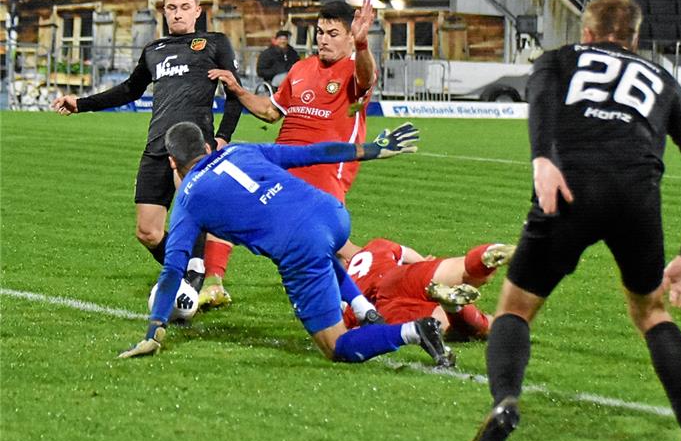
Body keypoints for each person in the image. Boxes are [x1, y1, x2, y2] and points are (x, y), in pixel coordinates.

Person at [466, 0, 681, 441]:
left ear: (586, 33)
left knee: (516, 308)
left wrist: (542, 157)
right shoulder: (662, 79)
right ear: (635, 38)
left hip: (567, 188)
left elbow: (541, 98)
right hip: (636, 196)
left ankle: (505, 401)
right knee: (651, 312)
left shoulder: (559, 59)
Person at [118, 121, 454, 368]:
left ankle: (414, 331)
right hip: (332, 214)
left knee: (335, 346)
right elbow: (310, 153)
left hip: (301, 243)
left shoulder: (187, 202)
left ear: (173, 163)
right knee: (320, 253)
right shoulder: (240, 149)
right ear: (208, 148)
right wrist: (372, 150)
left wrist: (154, 328)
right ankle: (366, 310)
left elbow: (173, 270)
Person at [51, 0, 242, 288]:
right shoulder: (154, 50)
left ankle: (193, 282)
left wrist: (223, 137)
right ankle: (187, 273)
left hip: (194, 146)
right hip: (156, 146)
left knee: (192, 215)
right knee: (148, 232)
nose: (177, 14)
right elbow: (130, 89)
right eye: (171, 8)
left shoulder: (215, 43)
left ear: (198, 11)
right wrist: (81, 103)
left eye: (184, 7)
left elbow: (234, 94)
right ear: (163, 11)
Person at [202, 0, 378, 307]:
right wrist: (239, 91)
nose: (323, 39)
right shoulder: (301, 68)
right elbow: (272, 112)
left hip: (323, 170)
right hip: (280, 163)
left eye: (333, 33)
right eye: (320, 32)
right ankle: (213, 283)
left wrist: (362, 45)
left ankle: (396, 274)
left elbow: (366, 77)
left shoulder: (354, 70)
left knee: (331, 246)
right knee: (224, 201)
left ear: (351, 37)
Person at [341, 239, 517, 341]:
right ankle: (486, 254)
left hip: (381, 311)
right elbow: (410, 255)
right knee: (463, 270)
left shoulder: (336, 290)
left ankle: (453, 309)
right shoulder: (375, 247)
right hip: (397, 276)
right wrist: (423, 264)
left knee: (453, 326)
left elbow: (340, 335)